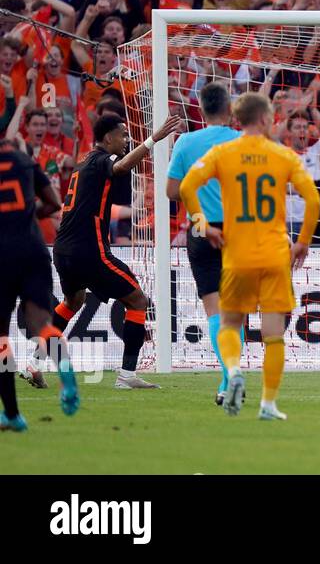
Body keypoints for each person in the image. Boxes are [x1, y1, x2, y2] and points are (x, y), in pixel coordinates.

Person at [179, 92, 320, 420]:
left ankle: (233, 371)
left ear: (237, 120)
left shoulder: (222, 152)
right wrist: (301, 242)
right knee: (273, 335)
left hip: (237, 253)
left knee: (229, 323)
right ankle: (268, 404)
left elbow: (186, 187)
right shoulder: (282, 155)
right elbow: (312, 200)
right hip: (274, 253)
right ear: (265, 118)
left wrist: (203, 225)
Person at [49, 113, 185, 390]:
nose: (126, 139)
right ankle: (126, 375)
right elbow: (121, 167)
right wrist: (154, 139)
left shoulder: (82, 164)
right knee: (138, 301)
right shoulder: (102, 160)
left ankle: (32, 363)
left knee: (72, 302)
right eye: (123, 134)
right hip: (90, 250)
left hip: (63, 250)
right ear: (108, 137)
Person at [165, 83, 241, 406]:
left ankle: (230, 375)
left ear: (201, 108)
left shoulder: (185, 142)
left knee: (214, 308)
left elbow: (171, 191)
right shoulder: (243, 142)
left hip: (201, 227)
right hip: (240, 230)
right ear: (230, 109)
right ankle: (228, 379)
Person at [0, 138, 78, 431]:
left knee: (1, 339)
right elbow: (54, 203)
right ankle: (64, 367)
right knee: (43, 323)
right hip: (33, 248)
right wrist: (27, 217)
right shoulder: (24, 161)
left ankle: (11, 414)